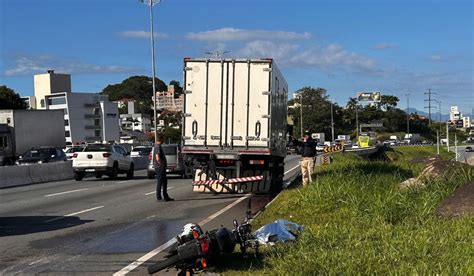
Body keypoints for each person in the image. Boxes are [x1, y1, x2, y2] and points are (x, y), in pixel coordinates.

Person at [154, 134, 174, 202]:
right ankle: (158, 197)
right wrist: (161, 164)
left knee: (164, 182)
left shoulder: (158, 146)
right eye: (163, 139)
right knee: (160, 182)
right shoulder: (157, 146)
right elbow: (157, 157)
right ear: (161, 139)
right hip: (160, 167)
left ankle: (166, 196)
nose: (164, 140)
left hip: (161, 167)